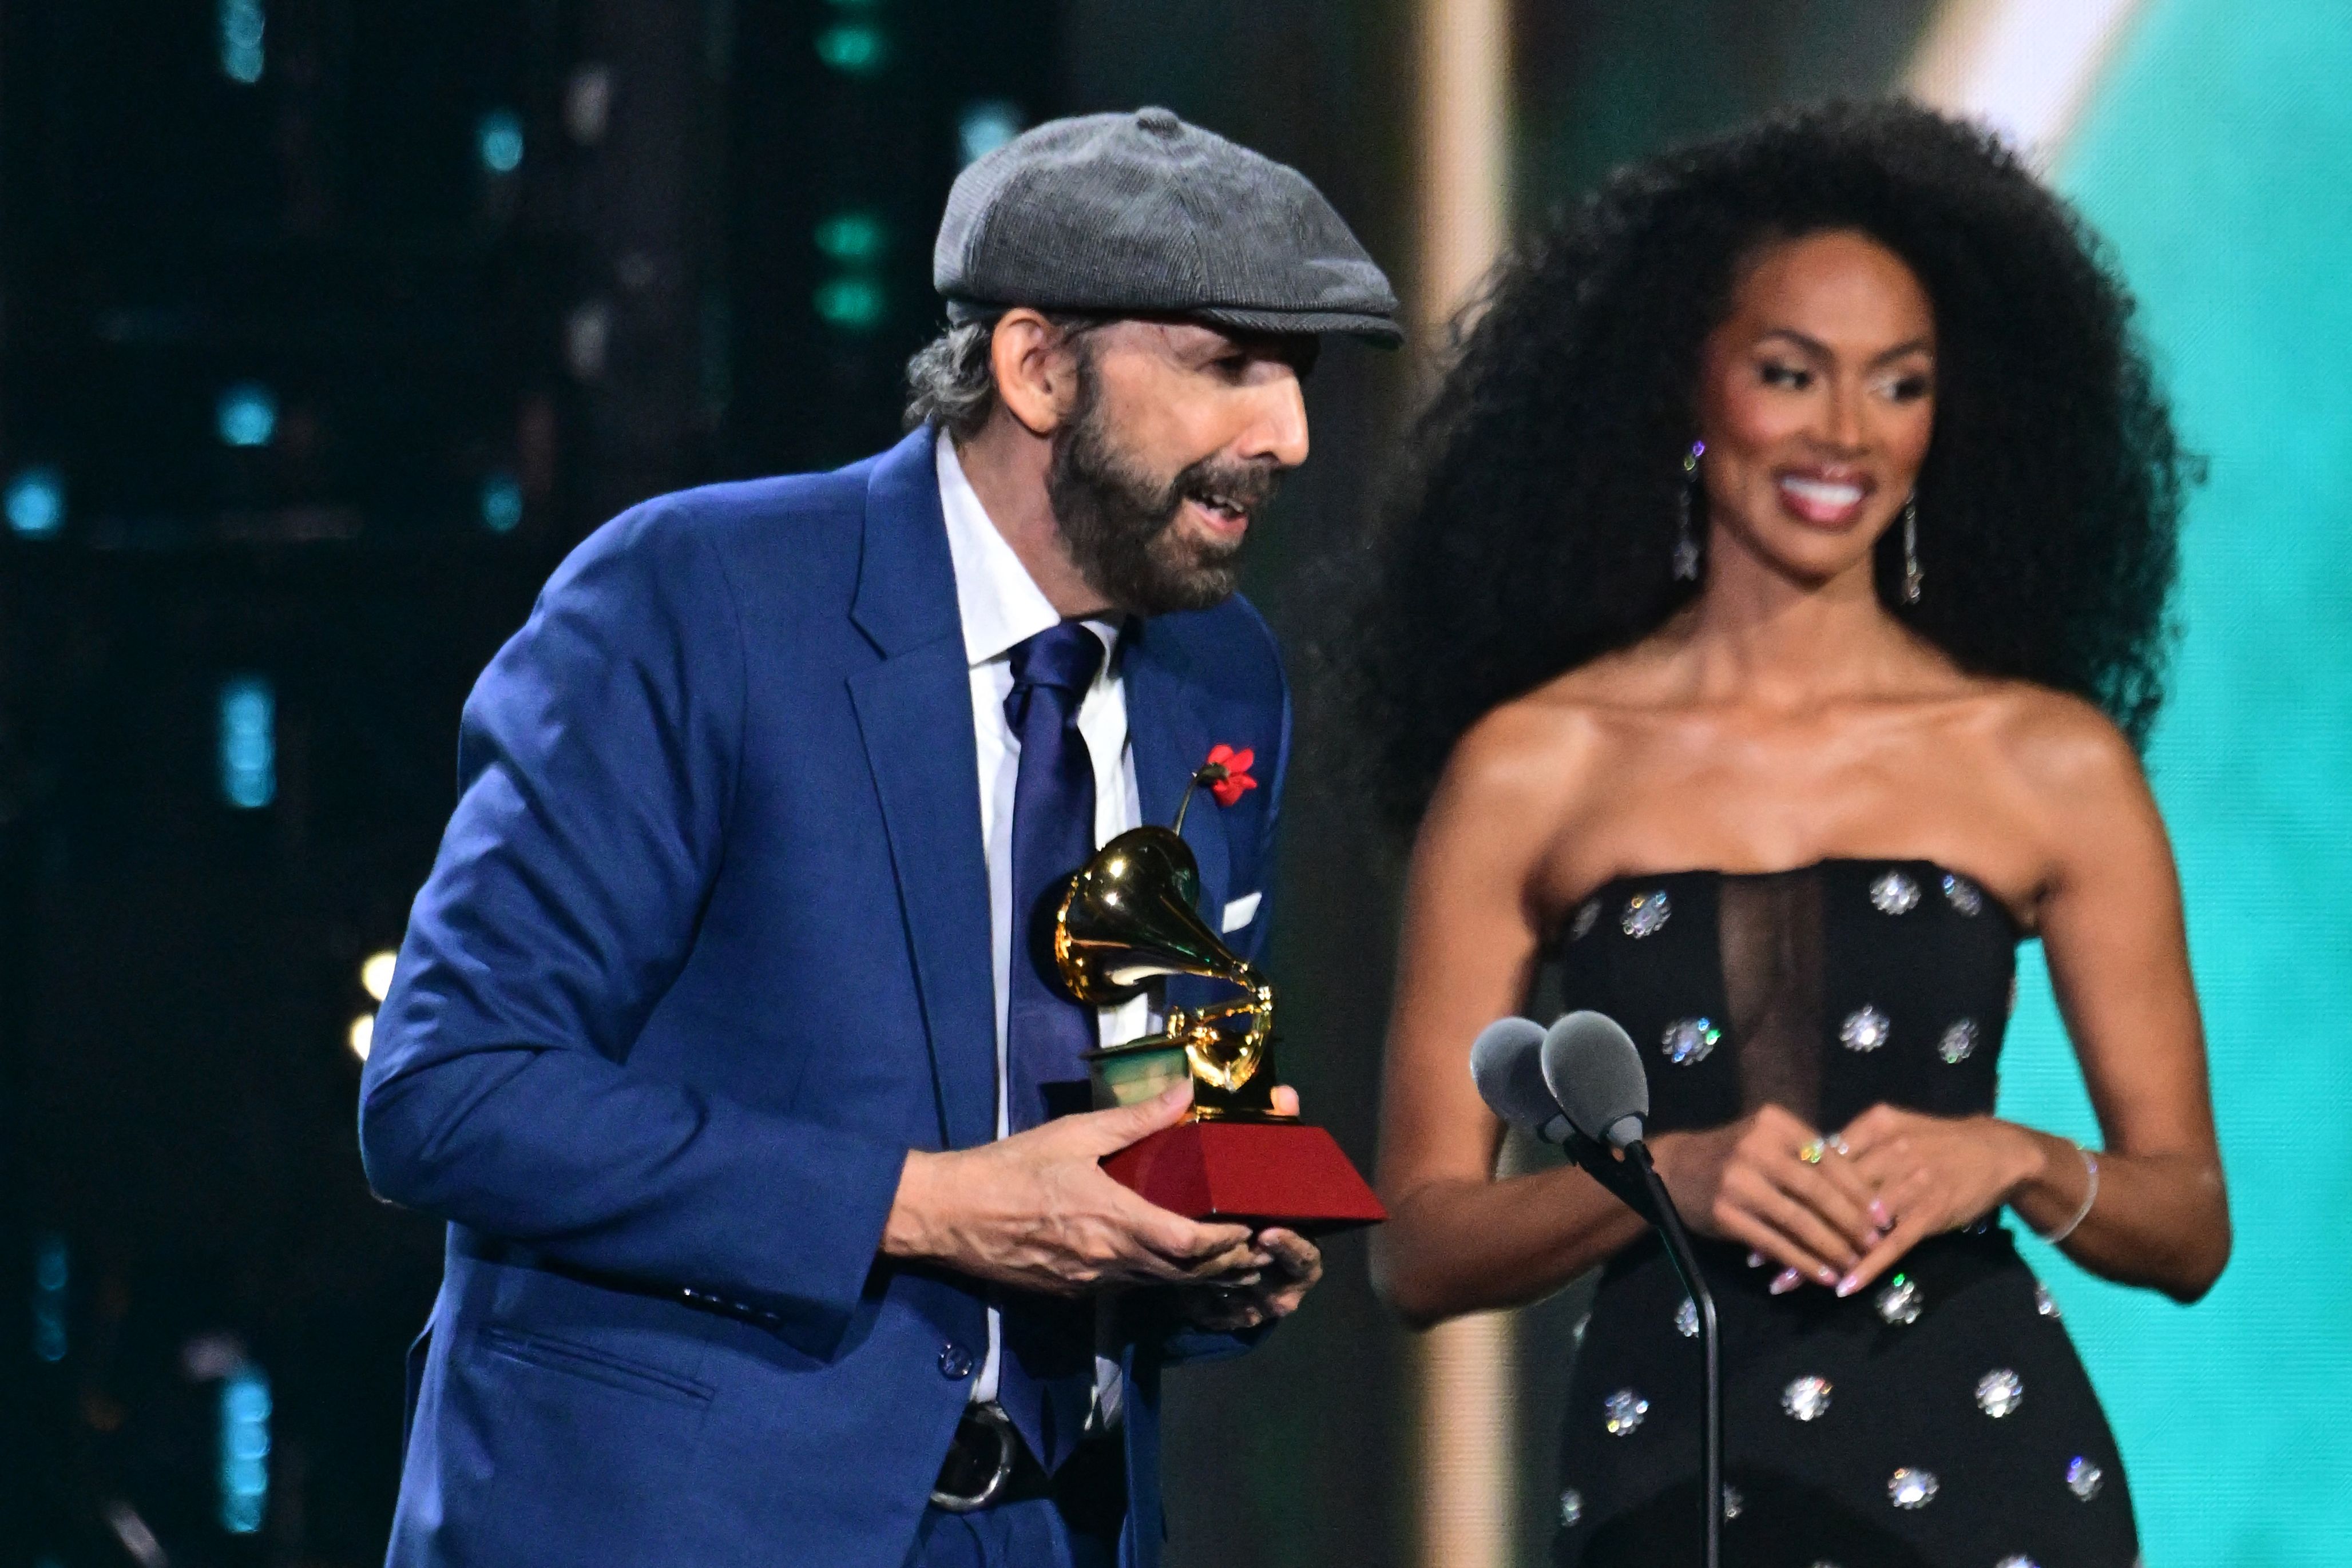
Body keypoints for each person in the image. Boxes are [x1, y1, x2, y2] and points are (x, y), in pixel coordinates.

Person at [359, 107, 1399, 1568]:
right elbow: (451, 1097)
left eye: (1297, 375)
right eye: (1231, 363)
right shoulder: (700, 599)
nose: (1285, 434)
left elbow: (1176, 1098)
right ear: (1039, 368)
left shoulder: (1225, 678)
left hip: (1050, 1533)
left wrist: (1209, 1254)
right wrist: (932, 1209)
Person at [1360, 101, 2226, 1567]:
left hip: (1988, 1482)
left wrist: (2010, 1160)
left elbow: (2187, 1221)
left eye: (1898, 387)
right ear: (1685, 390)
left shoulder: (2047, 762)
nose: (1844, 435)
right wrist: (1663, 1184)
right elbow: (1415, 1248)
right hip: (1668, 1490)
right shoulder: (1532, 768)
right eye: (1790, 374)